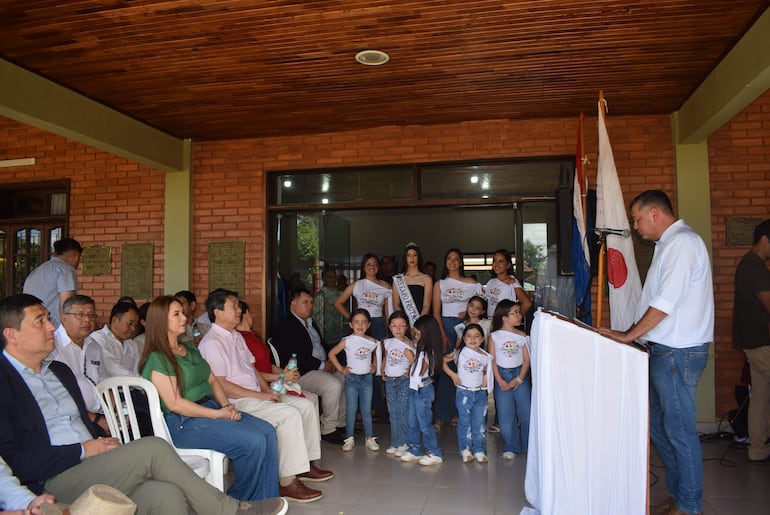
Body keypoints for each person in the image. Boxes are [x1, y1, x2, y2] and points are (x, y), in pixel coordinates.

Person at [0, 293, 288, 515]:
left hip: (94, 461)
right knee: (154, 448)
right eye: (41, 321)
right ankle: (231, 510)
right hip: (54, 477)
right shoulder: (5, 383)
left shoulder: (57, 371)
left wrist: (101, 432)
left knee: (167, 496)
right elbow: (15, 461)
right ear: (11, 334)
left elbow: (79, 419)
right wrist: (83, 449)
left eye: (49, 318)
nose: (52, 326)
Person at [599, 189, 714, 515]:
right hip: (663, 350)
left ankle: (690, 505)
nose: (635, 226)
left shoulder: (682, 243)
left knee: (679, 432)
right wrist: (637, 338)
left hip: (678, 353)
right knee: (660, 427)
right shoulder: (668, 245)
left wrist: (629, 335)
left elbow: (666, 303)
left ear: (654, 213)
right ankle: (680, 496)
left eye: (637, 218)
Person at [139, 296, 280, 502]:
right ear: (161, 321)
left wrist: (226, 405)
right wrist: (217, 414)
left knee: (267, 431)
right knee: (253, 441)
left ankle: (266, 500)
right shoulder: (158, 358)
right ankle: (237, 502)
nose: (183, 317)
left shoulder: (191, 349)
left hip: (211, 408)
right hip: (184, 423)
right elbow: (175, 403)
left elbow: (213, 381)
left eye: (182, 312)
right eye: (176, 314)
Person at [198, 289, 331, 503]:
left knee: (305, 405)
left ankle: (303, 466)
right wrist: (260, 396)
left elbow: (252, 370)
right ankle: (287, 482)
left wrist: (267, 391)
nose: (239, 310)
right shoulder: (212, 342)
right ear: (218, 312)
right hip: (236, 402)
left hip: (254, 395)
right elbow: (221, 385)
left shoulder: (236, 337)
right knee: (289, 414)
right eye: (234, 306)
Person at [272, 288, 346, 444]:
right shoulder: (286, 325)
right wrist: (322, 365)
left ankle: (339, 423)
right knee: (333, 385)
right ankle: (328, 429)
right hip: (301, 372)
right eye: (305, 302)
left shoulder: (311, 323)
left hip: (319, 367)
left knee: (344, 378)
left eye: (311, 302)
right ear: (293, 304)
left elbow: (321, 345)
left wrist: (332, 361)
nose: (310, 306)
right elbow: (295, 355)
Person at [432, 248, 482, 431]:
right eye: (449, 258)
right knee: (446, 371)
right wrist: (443, 334)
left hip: (465, 327)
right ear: (445, 262)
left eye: (456, 259)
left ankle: (458, 413)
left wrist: (468, 314)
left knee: (464, 369)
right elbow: (436, 311)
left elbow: (481, 304)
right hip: (445, 326)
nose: (452, 262)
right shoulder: (440, 284)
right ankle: (440, 416)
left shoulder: (472, 283)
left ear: (461, 262)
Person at [732, 218, 770, 463]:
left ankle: (758, 448)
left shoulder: (748, 264)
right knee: (761, 397)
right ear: (765, 240)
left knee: (760, 396)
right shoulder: (755, 266)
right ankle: (758, 446)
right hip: (761, 342)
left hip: (753, 341)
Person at [52, 295, 109, 434]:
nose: (87, 320)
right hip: (71, 420)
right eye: (80, 315)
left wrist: (115, 413)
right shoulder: (52, 345)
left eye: (91, 315)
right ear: (64, 318)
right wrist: (95, 419)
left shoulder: (94, 346)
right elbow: (57, 394)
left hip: (101, 413)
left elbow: (104, 381)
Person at [328, 309, 381, 452]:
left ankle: (369, 438)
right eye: (356, 322)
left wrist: (375, 365)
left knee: (366, 410)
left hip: (367, 379)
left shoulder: (372, 342)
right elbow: (331, 353)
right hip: (351, 378)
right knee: (351, 410)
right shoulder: (347, 340)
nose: (360, 325)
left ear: (369, 325)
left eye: (364, 322)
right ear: (351, 324)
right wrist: (341, 368)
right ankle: (349, 438)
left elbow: (378, 353)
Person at [443, 323, 492, 463]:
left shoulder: (486, 356)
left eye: (477, 336)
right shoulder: (459, 353)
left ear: (482, 339)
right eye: (469, 336)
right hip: (464, 392)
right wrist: (453, 375)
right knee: (464, 422)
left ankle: (479, 449)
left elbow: (486, 371)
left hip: (480, 394)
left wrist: (484, 378)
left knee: (479, 423)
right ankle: (465, 449)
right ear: (463, 338)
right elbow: (442, 362)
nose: (473, 339)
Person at [399, 315, 444, 466]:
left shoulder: (427, 352)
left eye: (418, 334)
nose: (415, 337)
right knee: (412, 421)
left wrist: (411, 359)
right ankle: (414, 449)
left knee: (424, 423)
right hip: (415, 388)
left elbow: (420, 371)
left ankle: (434, 452)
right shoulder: (423, 349)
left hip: (423, 389)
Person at [489, 300, 531, 460]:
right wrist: (499, 380)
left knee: (526, 413)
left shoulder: (523, 336)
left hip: (520, 375)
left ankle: (529, 446)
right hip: (502, 376)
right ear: (504, 317)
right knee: (506, 416)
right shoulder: (494, 336)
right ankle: (511, 446)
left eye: (518, 312)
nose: (519, 316)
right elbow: (492, 359)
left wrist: (519, 379)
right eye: (515, 313)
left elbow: (527, 360)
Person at [22, 237, 82, 327]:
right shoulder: (65, 269)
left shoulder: (39, 269)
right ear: (76, 255)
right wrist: (68, 328)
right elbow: (67, 302)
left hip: (31, 324)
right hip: (53, 327)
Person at [381, 311, 415, 456]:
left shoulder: (410, 344)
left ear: (407, 326)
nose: (398, 329)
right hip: (390, 380)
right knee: (392, 411)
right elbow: (386, 357)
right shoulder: (387, 342)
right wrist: (382, 369)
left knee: (402, 411)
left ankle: (404, 443)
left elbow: (417, 363)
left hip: (403, 381)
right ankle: (395, 442)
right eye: (394, 326)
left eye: (402, 325)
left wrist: (411, 367)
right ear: (390, 327)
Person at [88, 301, 142, 377]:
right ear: (114, 320)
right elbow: (112, 367)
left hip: (131, 386)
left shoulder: (132, 344)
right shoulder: (98, 339)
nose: (133, 329)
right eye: (130, 323)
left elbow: (137, 370)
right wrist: (139, 381)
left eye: (135, 325)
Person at [392, 243, 433, 326]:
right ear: (405, 258)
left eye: (415, 255)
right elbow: (396, 304)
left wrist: (419, 324)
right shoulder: (398, 279)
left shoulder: (426, 279)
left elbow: (426, 305)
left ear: (419, 257)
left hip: (421, 322)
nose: (412, 258)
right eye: (409, 255)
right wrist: (404, 322)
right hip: (403, 324)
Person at [484, 248, 532, 319]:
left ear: (508, 265)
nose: (497, 264)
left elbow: (527, 303)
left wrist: (516, 319)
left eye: (501, 261)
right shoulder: (491, 282)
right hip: (491, 322)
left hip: (504, 324)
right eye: (495, 261)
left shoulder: (512, 282)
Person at [313, 269, 346, 347]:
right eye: (329, 277)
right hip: (326, 337)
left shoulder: (341, 294)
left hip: (341, 335)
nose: (332, 279)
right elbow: (317, 319)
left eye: (334, 277)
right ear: (323, 278)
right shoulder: (320, 296)